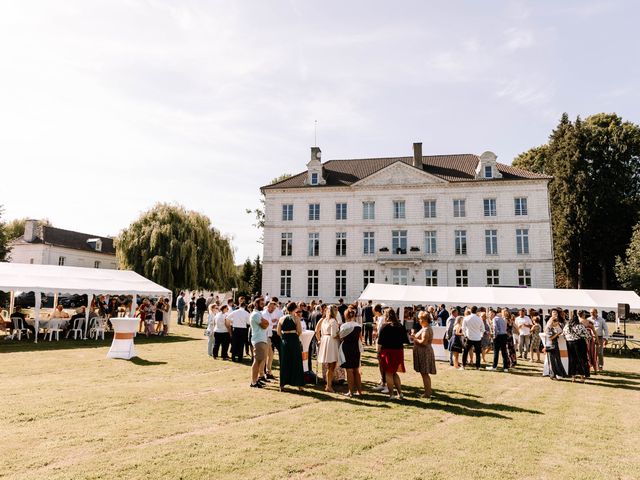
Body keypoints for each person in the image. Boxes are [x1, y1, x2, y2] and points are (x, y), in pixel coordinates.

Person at [377, 307, 406, 399]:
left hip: (388, 351)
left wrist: (378, 352)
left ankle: (391, 394)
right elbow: (405, 339)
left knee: (388, 373)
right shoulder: (400, 326)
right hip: (398, 351)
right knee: (394, 372)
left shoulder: (385, 326)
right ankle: (400, 393)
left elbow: (380, 342)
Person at [276, 302, 305, 391]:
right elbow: (300, 331)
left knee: (284, 361)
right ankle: (299, 385)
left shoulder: (281, 318)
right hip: (294, 340)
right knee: (296, 361)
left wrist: (283, 337)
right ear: (295, 309)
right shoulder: (296, 318)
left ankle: (282, 385)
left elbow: (278, 332)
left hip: (285, 341)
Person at [411, 311, 437, 398]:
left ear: (424, 320)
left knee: (424, 373)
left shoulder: (426, 329)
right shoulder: (426, 328)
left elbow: (424, 342)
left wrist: (414, 338)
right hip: (424, 352)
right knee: (424, 373)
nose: (419, 320)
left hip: (424, 352)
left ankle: (427, 393)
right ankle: (428, 391)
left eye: (420, 319)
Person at [316, 305, 340, 393]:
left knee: (330, 366)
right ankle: (329, 386)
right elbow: (334, 334)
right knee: (332, 366)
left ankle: (328, 384)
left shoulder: (324, 320)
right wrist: (341, 334)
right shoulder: (333, 321)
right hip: (331, 342)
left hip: (325, 340)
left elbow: (320, 332)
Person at [339, 308, 363, 397]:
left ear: (345, 316)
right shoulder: (358, 326)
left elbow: (340, 337)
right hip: (356, 348)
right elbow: (361, 338)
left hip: (347, 348)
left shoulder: (344, 326)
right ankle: (360, 391)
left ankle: (350, 392)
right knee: (356, 370)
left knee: (349, 370)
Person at [563, 311, 591, 382]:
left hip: (569, 343)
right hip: (579, 343)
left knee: (572, 360)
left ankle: (573, 377)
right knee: (581, 360)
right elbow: (588, 335)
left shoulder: (566, 326)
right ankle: (582, 377)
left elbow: (564, 335)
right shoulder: (580, 326)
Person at [249, 298, 270, 388]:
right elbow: (264, 325)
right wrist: (266, 323)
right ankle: (253, 382)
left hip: (262, 339)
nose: (263, 305)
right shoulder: (255, 315)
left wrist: (266, 323)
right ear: (256, 304)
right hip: (258, 340)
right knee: (257, 361)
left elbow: (266, 323)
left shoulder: (258, 314)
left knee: (260, 361)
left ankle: (256, 379)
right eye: (261, 304)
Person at [371, 304, 389, 393]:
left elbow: (381, 332)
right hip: (379, 341)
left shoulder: (382, 319)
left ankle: (384, 382)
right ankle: (382, 380)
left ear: (376, 310)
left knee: (381, 362)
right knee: (380, 362)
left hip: (381, 343)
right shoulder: (379, 318)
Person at [544, 309, 566, 380]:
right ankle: (553, 375)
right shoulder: (549, 323)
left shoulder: (556, 321)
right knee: (553, 359)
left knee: (556, 358)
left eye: (556, 312)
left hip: (554, 342)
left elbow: (560, 330)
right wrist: (557, 333)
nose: (555, 313)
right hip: (550, 343)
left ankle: (557, 374)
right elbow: (550, 337)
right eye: (553, 312)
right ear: (551, 314)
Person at [262, 301, 279, 379]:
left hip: (269, 336)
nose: (273, 309)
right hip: (265, 337)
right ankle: (264, 373)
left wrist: (273, 324)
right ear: (268, 306)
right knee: (266, 356)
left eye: (274, 308)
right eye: (272, 308)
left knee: (271, 355)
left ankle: (268, 372)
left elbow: (269, 324)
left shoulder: (268, 314)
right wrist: (274, 325)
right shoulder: (264, 314)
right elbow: (266, 325)